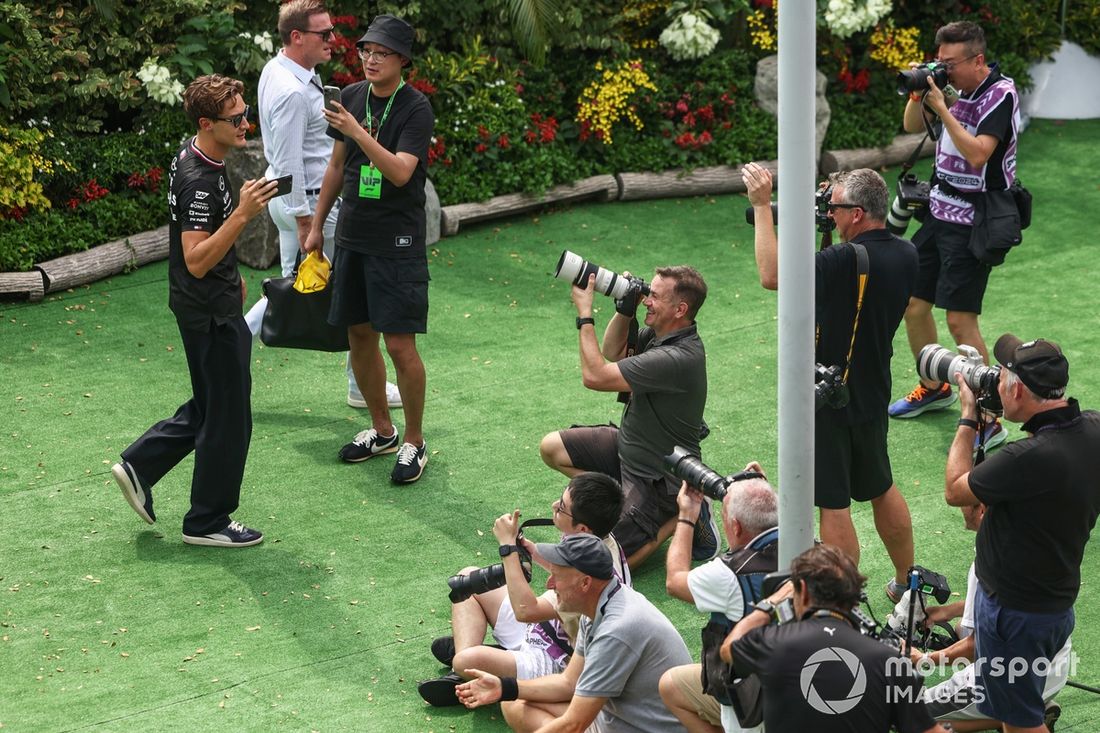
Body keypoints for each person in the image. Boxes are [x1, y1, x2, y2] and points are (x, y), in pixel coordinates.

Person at [110, 75, 278, 547]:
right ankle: (206, 521)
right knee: (228, 416)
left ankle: (140, 464)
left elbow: (207, 250)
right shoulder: (199, 179)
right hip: (208, 312)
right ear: (207, 123)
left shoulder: (200, 153)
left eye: (245, 112)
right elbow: (196, 258)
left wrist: (232, 271)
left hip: (207, 304)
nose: (246, 123)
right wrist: (243, 215)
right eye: (236, 118)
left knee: (214, 403)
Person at [743, 163, 918, 600]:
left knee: (834, 502)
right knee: (880, 486)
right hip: (873, 386)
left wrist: (763, 207)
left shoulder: (843, 259)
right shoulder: (905, 253)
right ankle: (905, 581)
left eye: (835, 208)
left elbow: (772, 276)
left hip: (829, 394)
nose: (830, 215)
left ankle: (840, 602)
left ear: (857, 214)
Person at [243, 0, 401, 411]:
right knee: (341, 293)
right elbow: (293, 159)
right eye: (324, 34)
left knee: (294, 291)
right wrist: (304, 220)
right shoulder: (293, 92)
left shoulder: (279, 68)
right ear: (297, 37)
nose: (334, 40)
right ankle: (361, 384)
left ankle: (229, 352)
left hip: (296, 200)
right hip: (311, 206)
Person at [944, 333, 1100, 733]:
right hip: (1052, 603)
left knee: (1019, 723)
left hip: (1014, 616)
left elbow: (955, 488)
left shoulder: (1025, 458)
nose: (993, 382)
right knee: (1016, 711)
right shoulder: (1093, 429)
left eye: (1000, 376)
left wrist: (966, 418)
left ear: (1016, 390)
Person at [305, 14, 434, 484]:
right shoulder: (352, 97)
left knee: (399, 344)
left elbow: (401, 172)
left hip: (397, 241)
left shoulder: (416, 109)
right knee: (359, 336)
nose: (371, 59)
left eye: (381, 52)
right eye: (365, 51)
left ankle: (416, 442)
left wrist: (358, 131)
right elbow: (338, 165)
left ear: (402, 60)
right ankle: (383, 430)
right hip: (353, 236)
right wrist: (317, 226)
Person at [889, 20, 1021, 455]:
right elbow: (911, 126)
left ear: (977, 59)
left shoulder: (1001, 94)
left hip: (975, 221)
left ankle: (989, 416)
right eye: (938, 61)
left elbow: (980, 153)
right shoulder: (953, 88)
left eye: (950, 63)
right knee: (913, 304)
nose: (943, 70)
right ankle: (935, 385)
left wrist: (943, 106)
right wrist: (920, 94)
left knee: (960, 320)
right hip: (939, 213)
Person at [539, 265, 713, 569]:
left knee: (607, 560)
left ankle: (679, 516)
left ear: (680, 309)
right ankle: (621, 499)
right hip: (627, 448)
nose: (647, 299)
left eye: (655, 296)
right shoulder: (661, 335)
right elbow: (612, 350)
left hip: (658, 476)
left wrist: (585, 313)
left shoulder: (676, 357)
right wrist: (624, 312)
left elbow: (594, 376)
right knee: (551, 448)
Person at [417, 472, 630, 706]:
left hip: (558, 658)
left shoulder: (586, 576)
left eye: (562, 507)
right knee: (468, 578)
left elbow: (525, 611)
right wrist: (530, 548)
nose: (554, 505)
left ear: (582, 528)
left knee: (464, 659)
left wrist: (507, 548)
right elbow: (555, 573)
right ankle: (480, 666)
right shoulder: (594, 542)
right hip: (544, 629)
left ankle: (470, 675)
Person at [455, 533, 692, 732]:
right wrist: (503, 687)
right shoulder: (601, 604)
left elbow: (574, 724)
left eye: (556, 576)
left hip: (641, 728)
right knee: (512, 702)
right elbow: (568, 682)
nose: (549, 584)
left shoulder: (616, 630)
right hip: (622, 717)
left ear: (585, 583)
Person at [720, 544, 948, 733]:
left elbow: (727, 649)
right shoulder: (891, 661)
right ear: (854, 598)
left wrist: (770, 604)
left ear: (804, 592)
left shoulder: (773, 643)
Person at [906, 503, 1069, 732]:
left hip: (1015, 678)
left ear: (982, 510)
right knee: (961, 628)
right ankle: (1027, 711)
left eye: (965, 503)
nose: (961, 508)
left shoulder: (987, 563)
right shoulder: (1034, 546)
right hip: (1055, 667)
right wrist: (948, 610)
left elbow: (975, 646)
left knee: (906, 715)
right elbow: (1005, 606)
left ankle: (1028, 718)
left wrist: (923, 659)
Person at [659, 466, 778, 733]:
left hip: (751, 705)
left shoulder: (727, 575)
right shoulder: (815, 550)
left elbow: (674, 581)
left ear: (735, 526)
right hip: (809, 691)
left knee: (670, 686)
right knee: (671, 685)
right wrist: (760, 494)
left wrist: (688, 515)